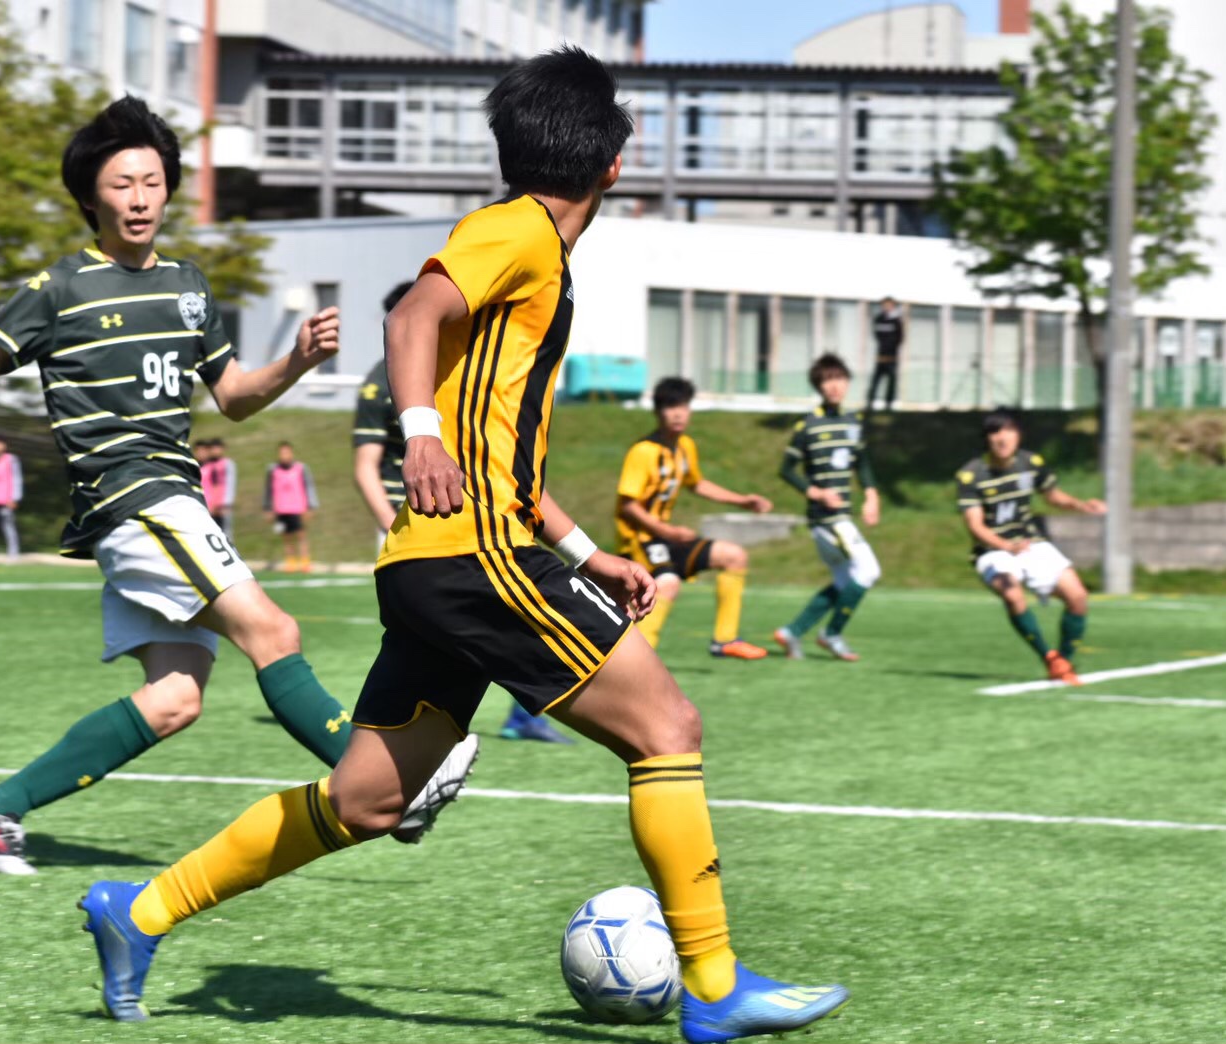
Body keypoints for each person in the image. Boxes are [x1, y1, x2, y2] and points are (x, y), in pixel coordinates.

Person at [77, 50, 849, 1041]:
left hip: (439, 561)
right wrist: (420, 433)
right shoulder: (516, 230)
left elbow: (505, 460)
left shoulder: (532, 253)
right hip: (476, 559)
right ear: (613, 164)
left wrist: (585, 553)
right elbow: (411, 313)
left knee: (364, 801)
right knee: (668, 729)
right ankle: (712, 986)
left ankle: (139, 912)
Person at [0, 96, 475, 877]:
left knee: (175, 698)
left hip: (170, 501)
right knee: (274, 633)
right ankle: (394, 785)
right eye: (121, 185)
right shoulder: (57, 286)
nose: (140, 198)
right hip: (134, 498)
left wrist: (299, 360)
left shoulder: (188, 286)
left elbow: (234, 395)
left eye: (152, 182)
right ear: (90, 198)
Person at [354, 280, 571, 743]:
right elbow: (365, 466)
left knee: (470, 630)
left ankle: (425, 737)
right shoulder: (379, 381)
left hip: (476, 519)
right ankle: (420, 733)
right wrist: (392, 523)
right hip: (413, 523)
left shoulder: (463, 368)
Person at [616, 377, 772, 659]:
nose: (678, 414)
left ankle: (724, 640)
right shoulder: (643, 451)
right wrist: (668, 532)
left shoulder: (684, 446)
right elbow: (629, 505)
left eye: (683, 406)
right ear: (658, 412)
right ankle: (635, 661)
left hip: (666, 536)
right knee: (667, 585)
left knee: (734, 556)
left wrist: (741, 500)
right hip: (640, 539)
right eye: (670, 407)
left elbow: (696, 483)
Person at [958, 408, 1106, 684]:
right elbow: (975, 526)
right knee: (1012, 594)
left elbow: (1052, 496)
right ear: (987, 438)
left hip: (1030, 543)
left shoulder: (1030, 462)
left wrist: (1081, 504)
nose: (1002, 438)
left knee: (1078, 596)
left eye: (1009, 430)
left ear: (1018, 435)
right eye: (995, 432)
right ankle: (1048, 656)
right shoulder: (971, 475)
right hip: (993, 550)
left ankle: (1063, 663)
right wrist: (1005, 545)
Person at [773, 354, 881, 661]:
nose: (834, 386)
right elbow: (786, 470)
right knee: (869, 570)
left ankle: (792, 632)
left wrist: (871, 495)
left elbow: (862, 462)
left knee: (844, 582)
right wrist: (817, 493)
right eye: (827, 380)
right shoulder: (808, 425)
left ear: (847, 382)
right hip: (826, 518)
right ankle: (831, 634)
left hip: (841, 516)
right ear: (818, 386)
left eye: (839, 379)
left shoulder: (853, 421)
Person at [264, 441, 317, 572]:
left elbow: (308, 487)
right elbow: (268, 490)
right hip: (281, 509)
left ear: (291, 453)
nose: (284, 455)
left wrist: (310, 506)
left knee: (301, 535)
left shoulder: (301, 468)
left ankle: (305, 562)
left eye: (287, 452)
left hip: (298, 508)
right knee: (286, 537)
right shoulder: (273, 470)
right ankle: (290, 562)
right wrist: (268, 508)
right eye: (282, 453)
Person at [867, 297, 903, 412]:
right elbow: (876, 336)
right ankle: (870, 402)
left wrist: (891, 349)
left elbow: (900, 338)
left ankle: (889, 404)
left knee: (891, 381)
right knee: (875, 380)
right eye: (885, 304)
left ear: (893, 306)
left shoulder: (897, 321)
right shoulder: (878, 319)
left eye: (889, 305)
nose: (887, 307)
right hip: (880, 357)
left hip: (892, 357)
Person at [201, 437, 236, 540]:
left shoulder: (227, 463)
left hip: (223, 505)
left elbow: (230, 483)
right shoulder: (207, 465)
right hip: (210, 505)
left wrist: (225, 502)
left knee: (226, 532)